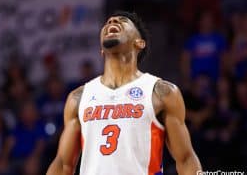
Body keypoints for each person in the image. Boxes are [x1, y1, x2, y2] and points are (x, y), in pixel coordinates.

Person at [46, 11, 201, 175]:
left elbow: (186, 159)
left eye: (123, 20)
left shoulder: (161, 92)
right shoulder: (79, 97)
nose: (112, 20)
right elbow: (63, 164)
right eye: (108, 21)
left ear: (139, 43)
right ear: (101, 51)